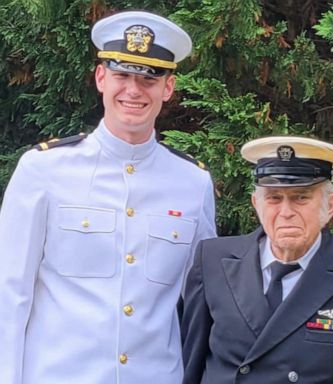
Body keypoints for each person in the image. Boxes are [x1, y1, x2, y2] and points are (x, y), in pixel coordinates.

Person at [0, 10, 216, 384]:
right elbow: (9, 294)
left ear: (168, 88)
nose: (134, 90)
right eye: (122, 75)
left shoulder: (192, 183)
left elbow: (202, 302)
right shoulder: (44, 170)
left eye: (149, 79)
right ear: (101, 78)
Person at [181, 136, 333, 384]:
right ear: (257, 204)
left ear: (330, 206)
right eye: (274, 198)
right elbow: (190, 363)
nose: (286, 212)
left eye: (301, 198)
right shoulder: (212, 260)